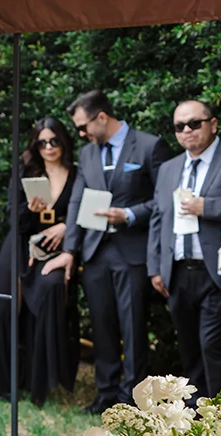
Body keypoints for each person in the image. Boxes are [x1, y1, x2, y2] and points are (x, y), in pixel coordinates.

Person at [45, 90, 171, 414]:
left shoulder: (149, 145)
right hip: (96, 253)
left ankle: (135, 399)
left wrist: (129, 215)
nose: (81, 134)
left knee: (132, 327)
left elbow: (164, 199)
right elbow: (76, 201)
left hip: (133, 252)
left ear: (102, 117)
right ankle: (106, 396)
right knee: (102, 326)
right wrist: (71, 249)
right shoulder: (87, 154)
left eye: (83, 126)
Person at [0, 118, 80, 406]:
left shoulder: (78, 174)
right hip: (19, 244)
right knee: (6, 307)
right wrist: (29, 210)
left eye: (54, 140)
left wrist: (66, 227)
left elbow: (88, 212)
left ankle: (39, 380)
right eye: (42, 142)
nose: (49, 147)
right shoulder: (27, 172)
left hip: (57, 251)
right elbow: (12, 219)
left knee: (50, 293)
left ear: (64, 141)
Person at [148, 100, 221, 400]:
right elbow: (157, 218)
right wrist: (155, 266)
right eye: (180, 126)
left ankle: (217, 416)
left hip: (215, 271)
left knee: (213, 346)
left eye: (195, 123)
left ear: (213, 124)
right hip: (177, 272)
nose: (187, 130)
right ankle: (194, 412)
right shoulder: (168, 168)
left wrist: (210, 207)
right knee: (189, 346)